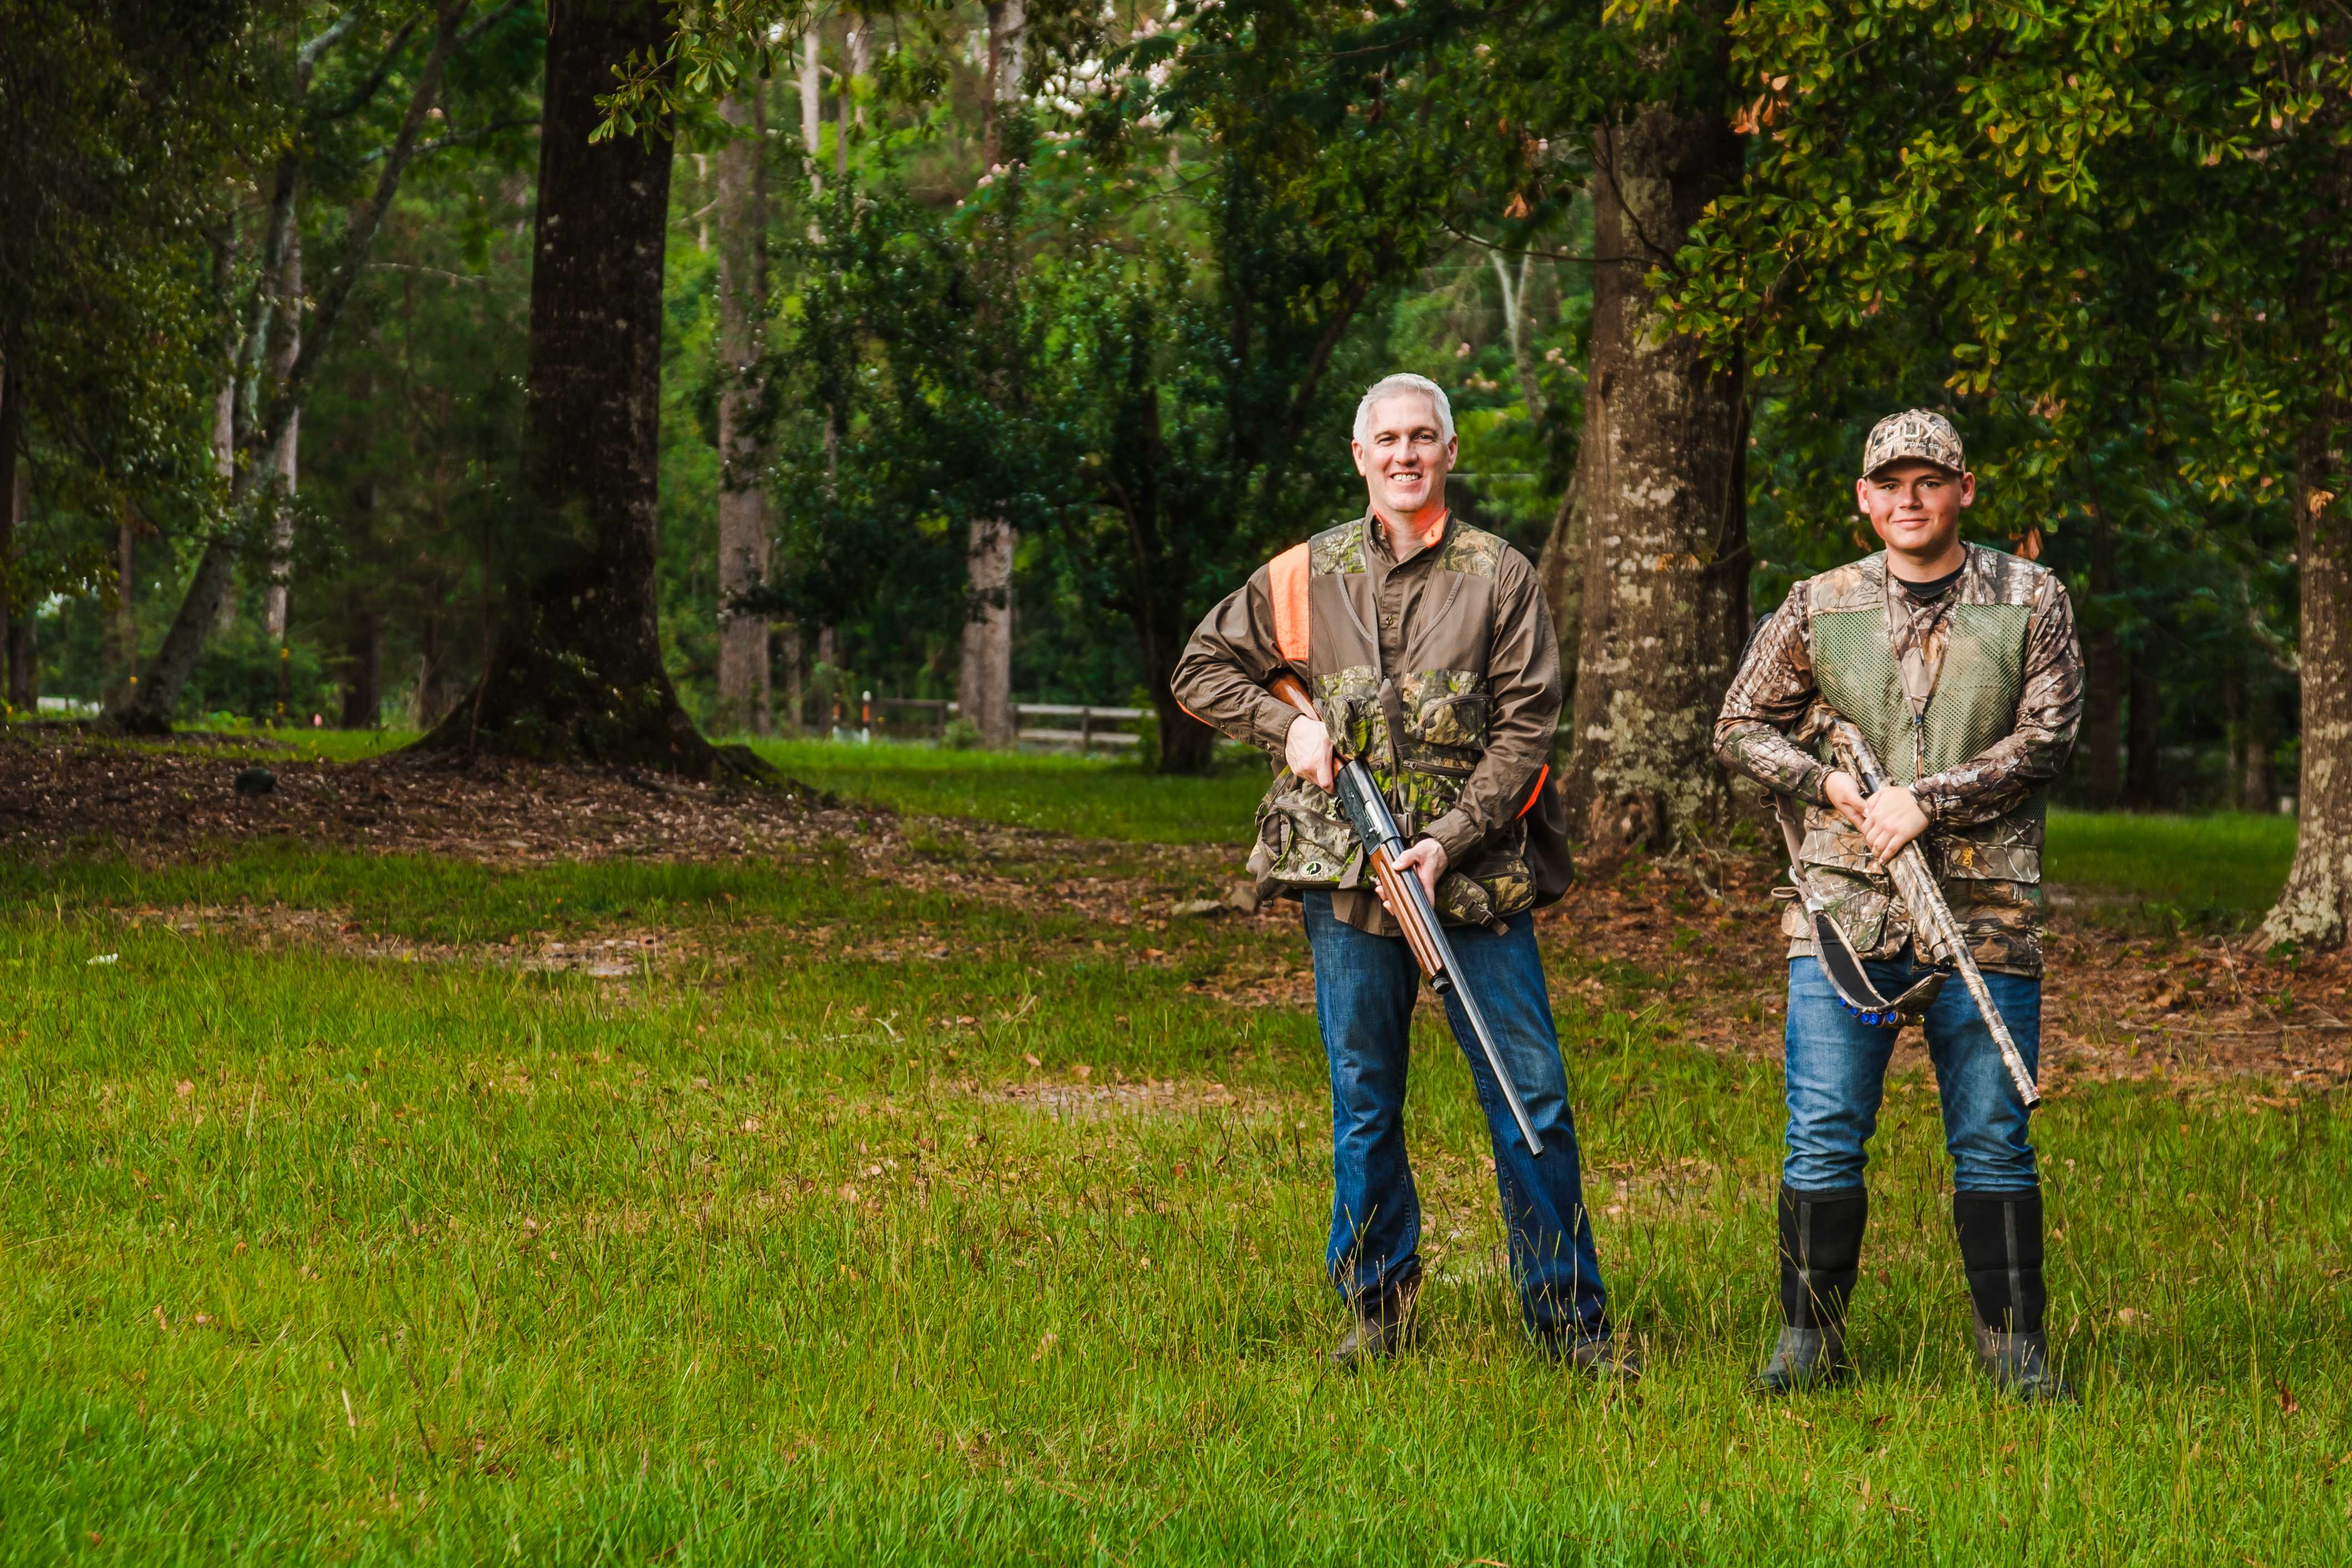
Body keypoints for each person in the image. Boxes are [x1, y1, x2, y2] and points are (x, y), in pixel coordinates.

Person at [1171, 373, 1634, 1379]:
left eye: (1424, 438)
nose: (1405, 455)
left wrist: (1451, 840)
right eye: (1387, 440)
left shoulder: (1500, 576)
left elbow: (1528, 731)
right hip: (1347, 879)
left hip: (1471, 879)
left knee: (1529, 1095)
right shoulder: (1306, 572)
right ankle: (1378, 1307)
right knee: (1365, 1096)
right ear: (1360, 456)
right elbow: (1201, 669)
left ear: (1450, 453)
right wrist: (1286, 724)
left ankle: (1569, 1323)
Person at [1715, 408, 2084, 1402]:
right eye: (1891, 485)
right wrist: (1832, 789)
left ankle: (2015, 1353)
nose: (1910, 501)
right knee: (1824, 1126)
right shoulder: (1818, 604)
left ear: (1965, 490)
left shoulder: (2029, 596)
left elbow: (2047, 740)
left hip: (1986, 909)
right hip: (1842, 914)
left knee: (1994, 1132)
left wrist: (1923, 801)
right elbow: (1740, 727)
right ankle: (1809, 1341)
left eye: (1931, 482)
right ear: (1865, 500)